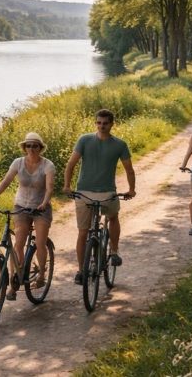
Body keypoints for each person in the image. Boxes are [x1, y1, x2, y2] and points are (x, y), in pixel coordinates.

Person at [63, 109, 136, 285]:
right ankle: (83, 269)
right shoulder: (85, 140)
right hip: (85, 192)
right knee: (83, 232)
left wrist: (132, 188)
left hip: (105, 192)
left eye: (105, 123)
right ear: (95, 123)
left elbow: (129, 170)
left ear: (112, 124)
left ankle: (113, 251)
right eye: (99, 123)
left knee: (112, 217)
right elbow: (71, 165)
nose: (102, 126)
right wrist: (67, 186)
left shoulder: (119, 144)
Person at [0, 132, 55, 300]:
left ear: (40, 148)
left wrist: (45, 202)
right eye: (28, 145)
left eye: (35, 145)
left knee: (40, 242)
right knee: (17, 245)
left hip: (40, 208)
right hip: (21, 207)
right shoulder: (18, 163)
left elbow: (50, 188)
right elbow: (5, 181)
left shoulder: (48, 165)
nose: (32, 148)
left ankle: (41, 275)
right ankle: (14, 282)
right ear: (24, 147)